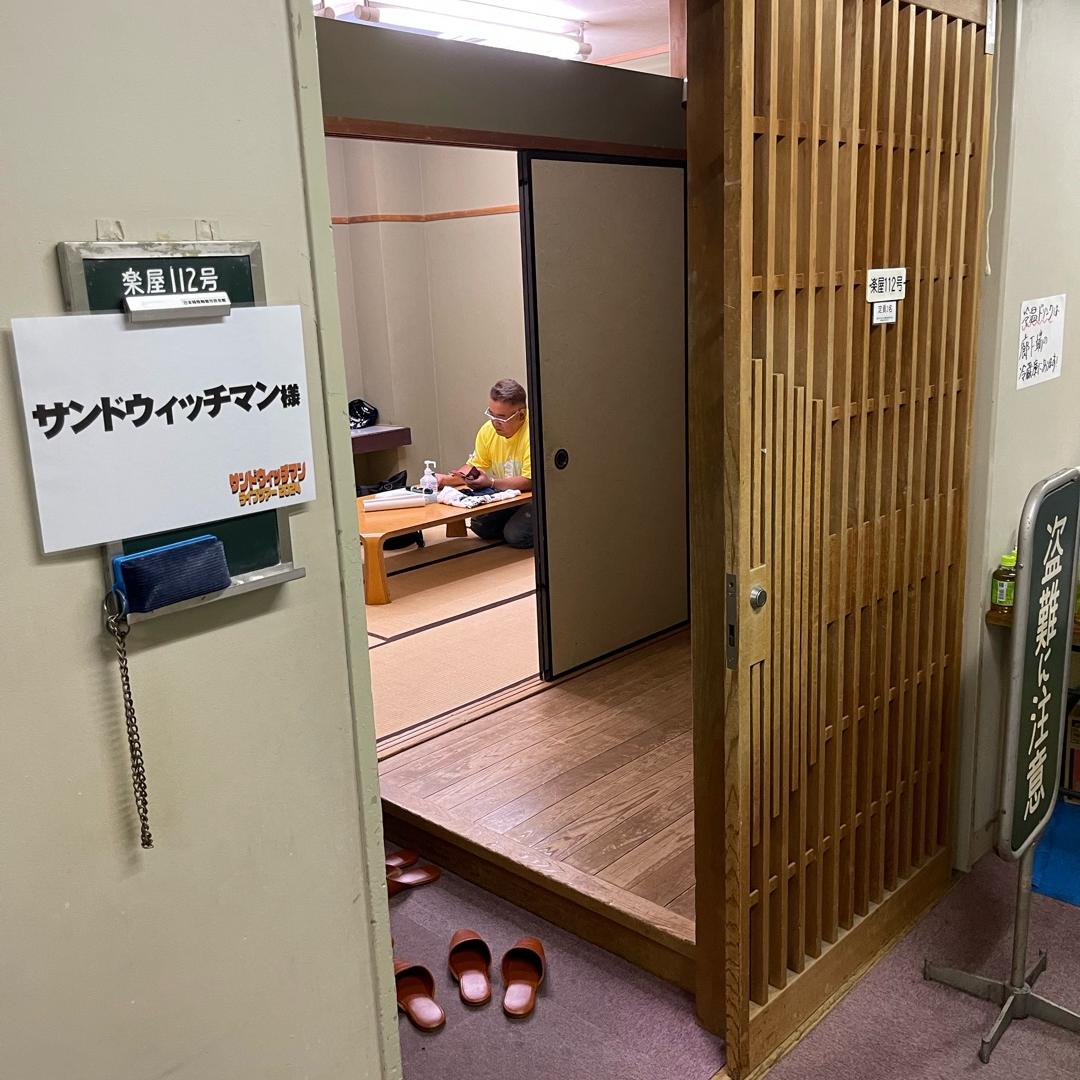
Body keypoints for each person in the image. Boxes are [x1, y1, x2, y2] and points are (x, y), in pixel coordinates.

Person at [437, 378, 533, 550]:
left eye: (501, 417)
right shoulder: (488, 431)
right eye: (491, 414)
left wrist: (491, 483)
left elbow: (530, 481)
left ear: (521, 415)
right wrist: (445, 480)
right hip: (509, 495)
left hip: (536, 498)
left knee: (516, 536)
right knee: (480, 525)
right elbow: (475, 467)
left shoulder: (533, 432)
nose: (495, 422)